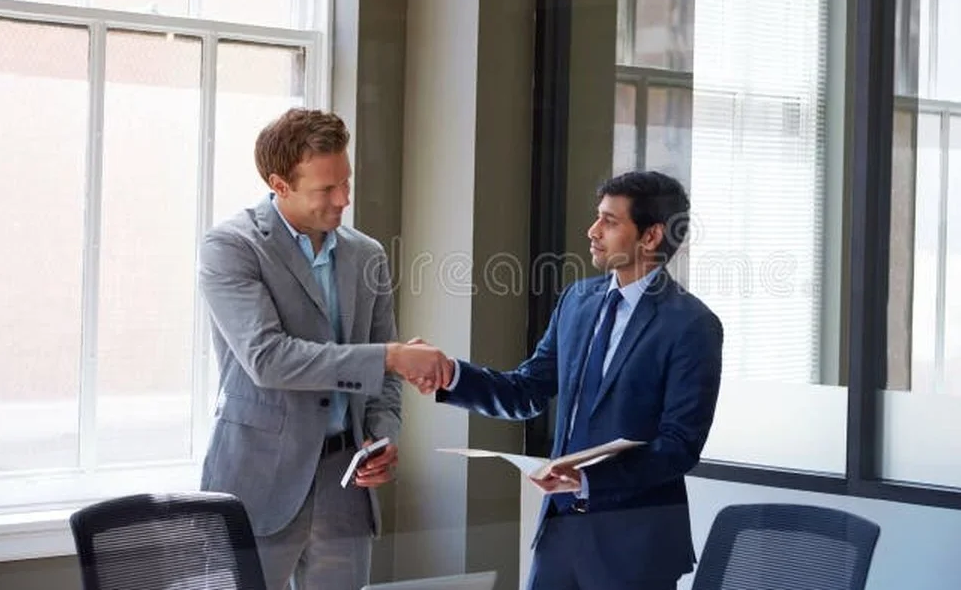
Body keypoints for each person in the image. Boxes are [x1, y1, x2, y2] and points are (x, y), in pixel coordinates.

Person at [409, 171, 724, 590]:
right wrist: (453, 376)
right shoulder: (577, 301)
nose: (592, 231)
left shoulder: (692, 326)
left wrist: (591, 480)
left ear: (650, 237)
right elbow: (527, 391)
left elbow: (679, 446)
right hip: (559, 535)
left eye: (610, 222)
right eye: (598, 218)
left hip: (634, 547)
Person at [197, 108, 450, 590]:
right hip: (257, 478)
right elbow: (268, 359)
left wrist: (383, 434)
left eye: (346, 182)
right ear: (280, 184)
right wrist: (390, 356)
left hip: (345, 483)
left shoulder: (366, 253)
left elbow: (384, 382)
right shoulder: (231, 248)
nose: (344, 199)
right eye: (326, 189)